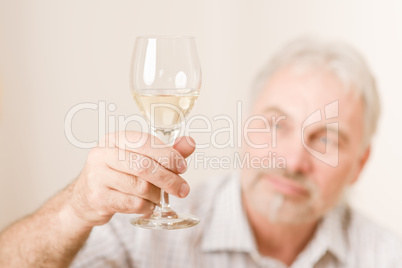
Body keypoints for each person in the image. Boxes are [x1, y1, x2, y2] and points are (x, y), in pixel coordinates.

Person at [1, 37, 401, 268]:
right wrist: (75, 210)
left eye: (327, 139)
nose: (293, 161)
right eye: (276, 124)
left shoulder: (385, 255)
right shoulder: (136, 238)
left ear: (359, 165)